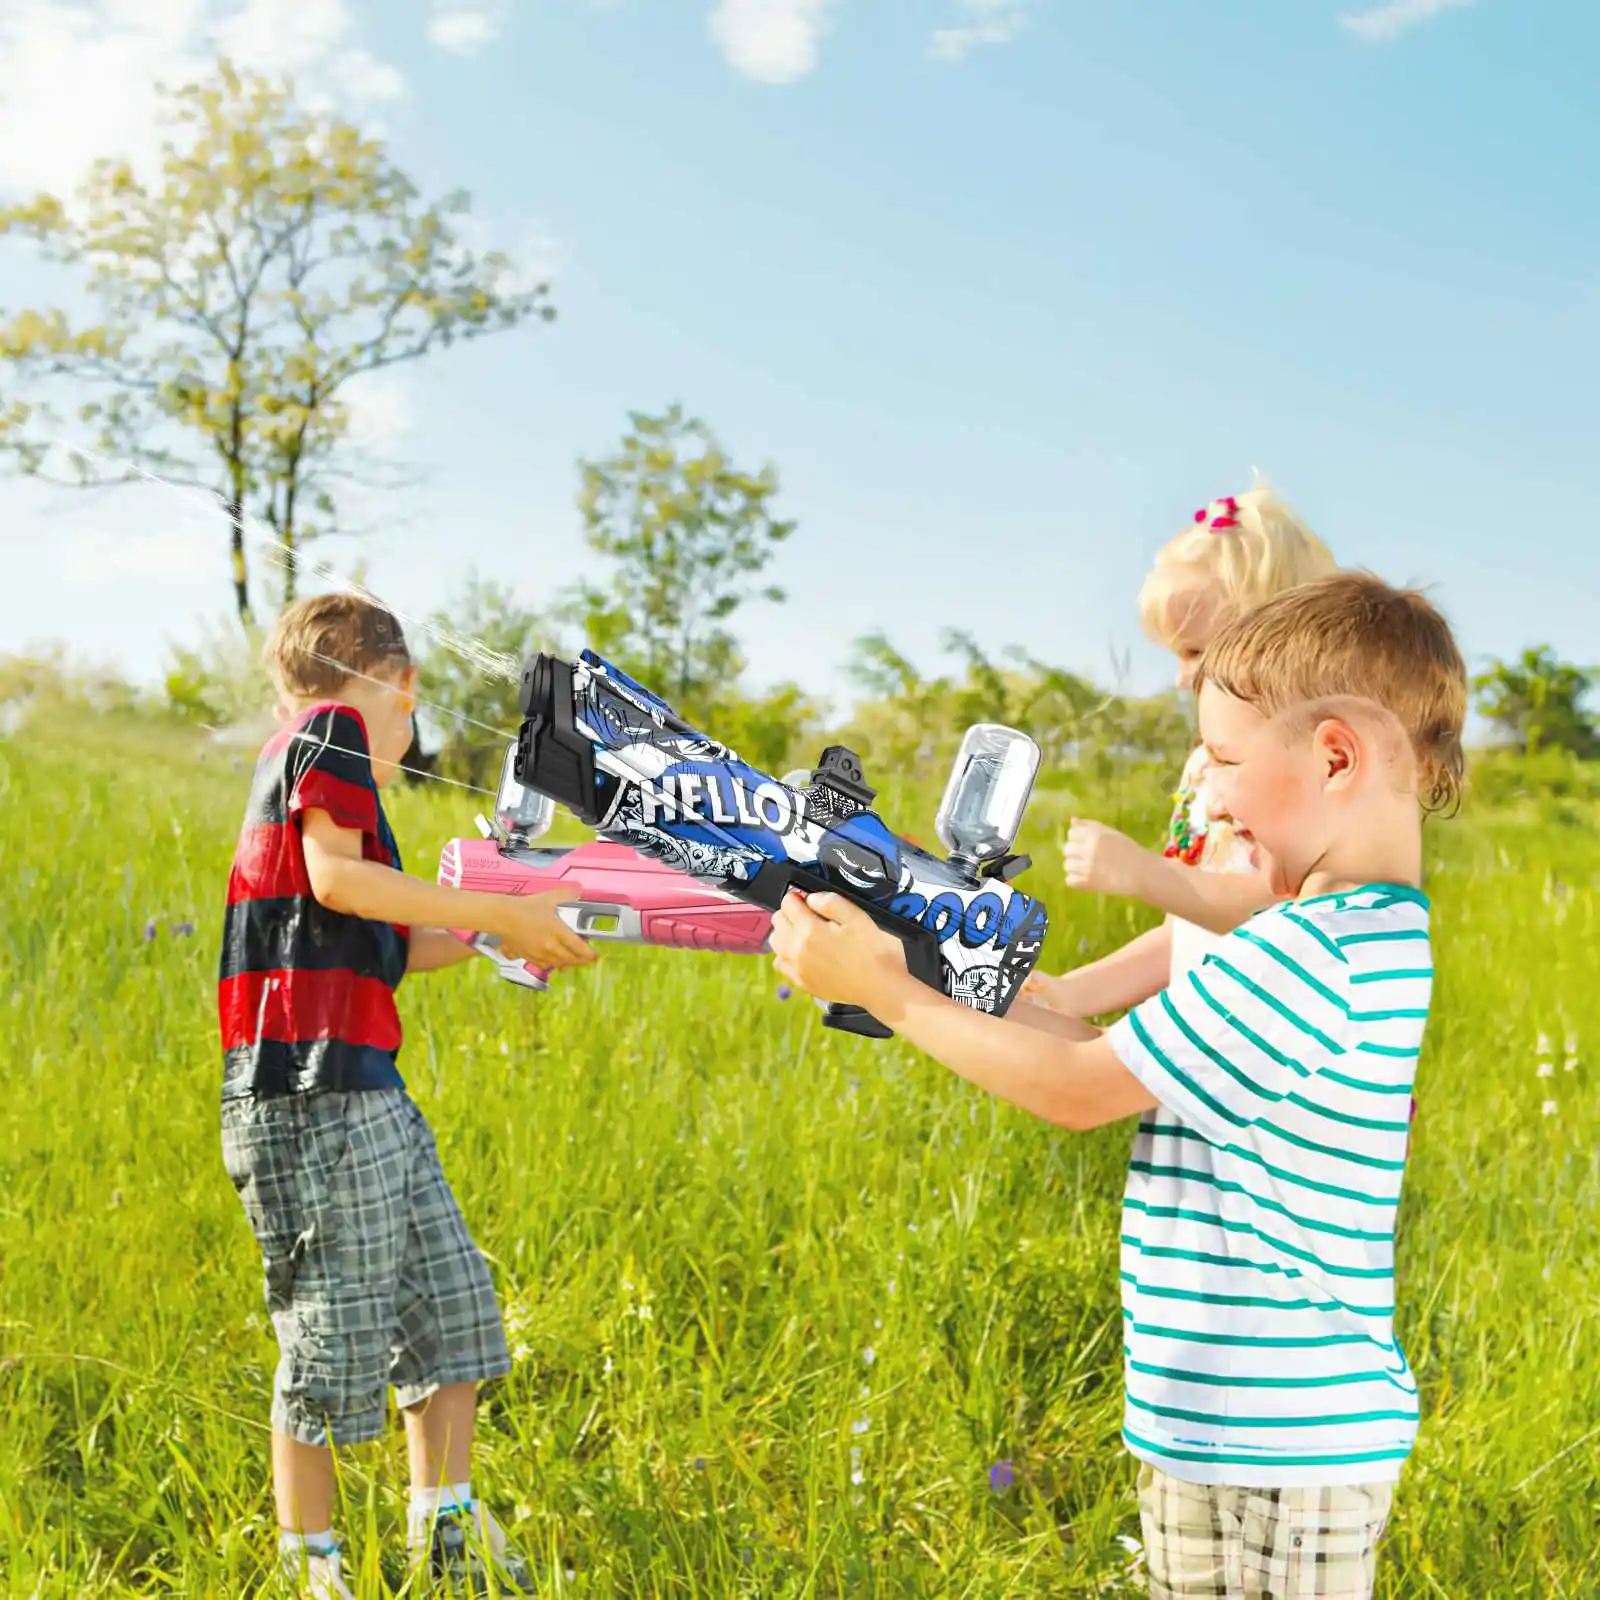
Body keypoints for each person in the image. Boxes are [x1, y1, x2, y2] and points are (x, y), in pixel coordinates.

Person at [769, 572, 1467, 1599]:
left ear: (1333, 756)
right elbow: (1109, 1046)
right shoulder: (1312, 939)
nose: (1210, 795)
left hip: (1290, 1444)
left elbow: (1081, 1086)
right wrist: (920, 960)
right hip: (1210, 1420)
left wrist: (900, 998)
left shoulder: (1320, 955)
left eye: (1224, 761)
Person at [218, 593, 596, 1599]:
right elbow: (342, 884)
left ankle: (447, 1539)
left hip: (361, 1090)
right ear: (400, 684)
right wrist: (498, 906)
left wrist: (500, 930)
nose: (406, 739)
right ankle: (314, 1571)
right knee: (329, 1341)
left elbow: (388, 940)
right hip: (312, 1098)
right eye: (410, 716)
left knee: (452, 1310)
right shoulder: (329, 732)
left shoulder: (329, 789)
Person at [1025, 485, 1337, 1021]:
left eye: (1195, 650)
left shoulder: (1314, 769)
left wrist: (1149, 875)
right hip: (1201, 1058)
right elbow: (1185, 932)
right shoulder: (1203, 767)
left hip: (1281, 1070)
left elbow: (1293, 916)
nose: (1181, 676)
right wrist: (1072, 993)